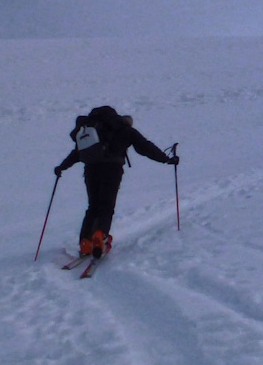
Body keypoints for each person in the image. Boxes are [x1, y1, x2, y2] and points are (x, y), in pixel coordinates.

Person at [53, 106, 179, 258]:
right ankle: (100, 235)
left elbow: (77, 152)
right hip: (112, 170)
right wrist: (166, 159)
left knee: (93, 206)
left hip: (91, 170)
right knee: (106, 206)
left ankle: (85, 242)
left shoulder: (92, 129)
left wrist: (62, 167)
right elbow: (144, 147)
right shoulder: (124, 129)